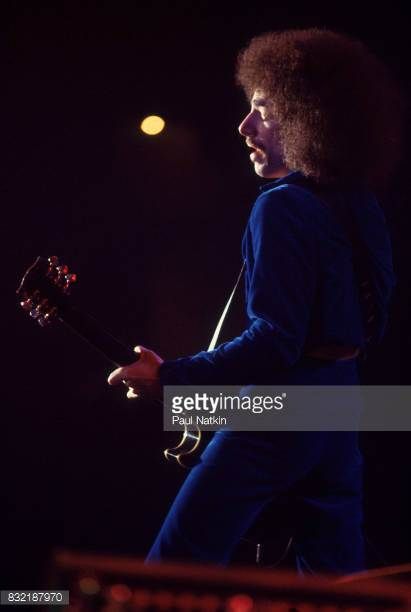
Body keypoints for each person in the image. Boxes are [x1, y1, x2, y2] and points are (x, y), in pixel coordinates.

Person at [107, 28, 404, 574]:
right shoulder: (360, 203)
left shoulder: (282, 207)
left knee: (174, 571)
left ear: (305, 116)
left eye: (263, 111)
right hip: (343, 403)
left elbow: (275, 342)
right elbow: (364, 327)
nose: (245, 126)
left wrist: (170, 378)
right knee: (336, 588)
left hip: (281, 407)